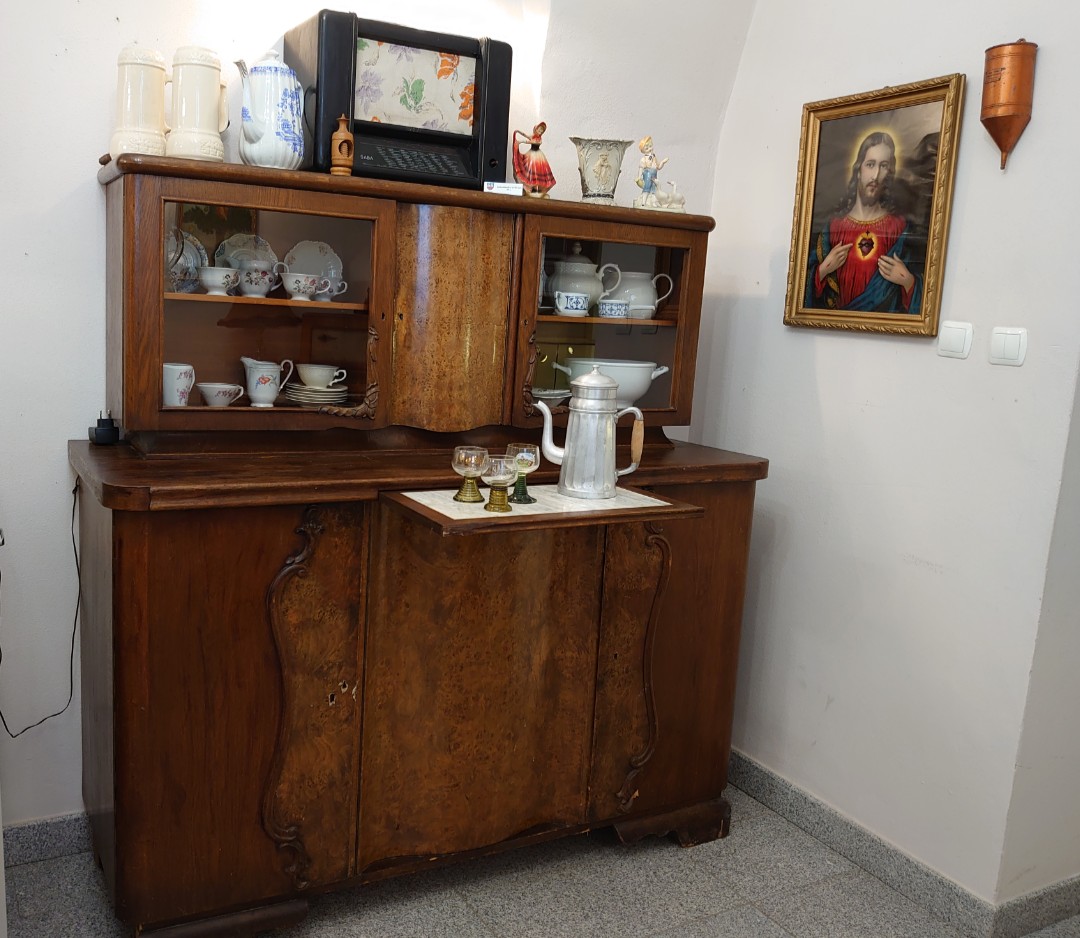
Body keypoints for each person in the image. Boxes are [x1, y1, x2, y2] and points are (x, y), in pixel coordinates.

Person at [805, 131, 922, 314]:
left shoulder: (900, 228)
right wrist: (823, 270)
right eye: (870, 164)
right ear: (859, 169)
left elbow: (923, 302)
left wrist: (908, 281)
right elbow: (802, 293)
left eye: (884, 166)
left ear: (890, 173)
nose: (875, 175)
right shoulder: (833, 227)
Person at [512, 122, 556, 197]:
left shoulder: (539, 139)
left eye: (542, 131)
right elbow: (526, 135)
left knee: (538, 170)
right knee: (530, 170)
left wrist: (521, 141)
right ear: (536, 129)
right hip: (531, 154)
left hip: (538, 156)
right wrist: (518, 132)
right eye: (539, 130)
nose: (540, 131)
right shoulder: (533, 136)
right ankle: (531, 187)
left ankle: (537, 188)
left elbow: (533, 142)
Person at [635, 135, 669, 206]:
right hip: (648, 174)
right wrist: (639, 177)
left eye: (650, 146)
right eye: (646, 148)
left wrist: (663, 162)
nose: (649, 149)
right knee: (647, 187)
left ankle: (653, 202)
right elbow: (641, 168)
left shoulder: (654, 157)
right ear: (643, 150)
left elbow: (658, 167)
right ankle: (643, 202)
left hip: (654, 174)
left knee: (654, 188)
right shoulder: (643, 159)